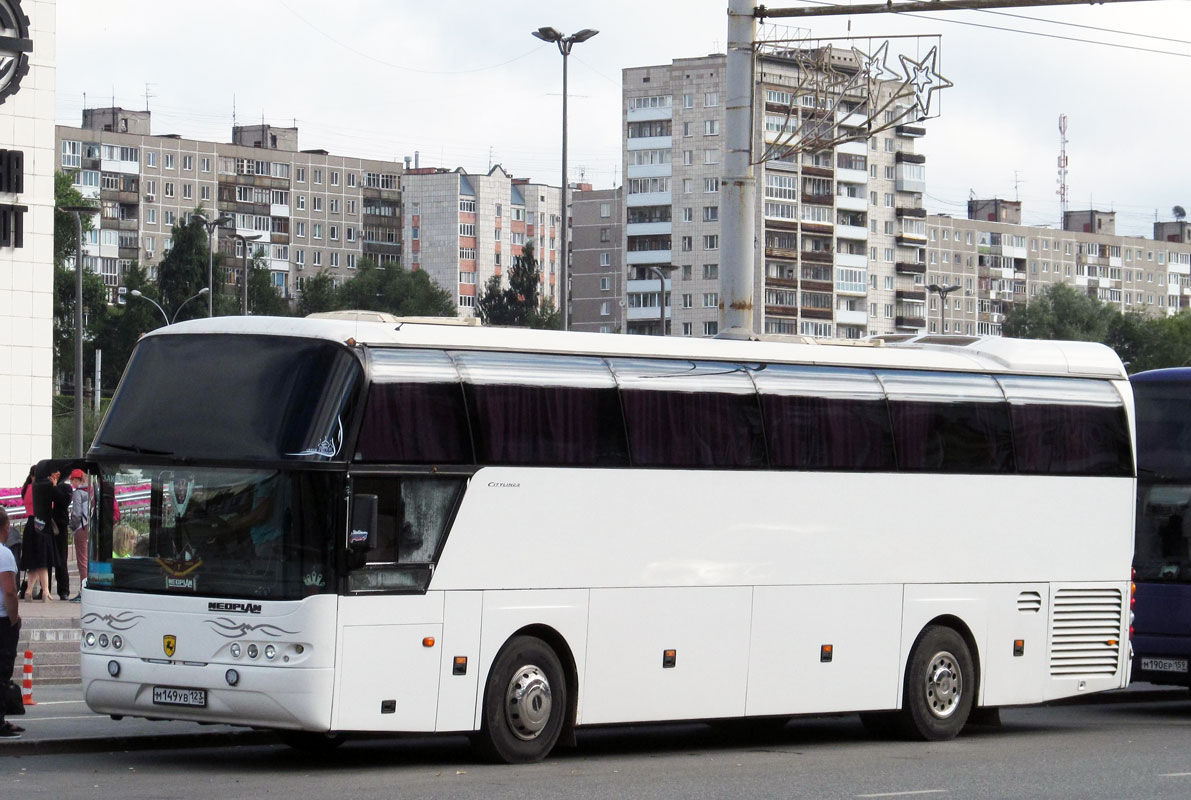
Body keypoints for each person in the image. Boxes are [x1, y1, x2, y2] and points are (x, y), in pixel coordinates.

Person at [0, 507, 23, 739]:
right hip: (1, 620)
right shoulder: (4, 554)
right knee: (2, 671)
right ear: (5, 526)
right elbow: (9, 592)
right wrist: (14, 620)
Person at [19, 469, 53, 604]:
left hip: (29, 523)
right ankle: (45, 591)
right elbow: (50, 506)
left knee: (32, 559)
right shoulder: (42, 488)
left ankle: (28, 590)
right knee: (42, 559)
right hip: (41, 523)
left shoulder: (26, 489)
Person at [49, 468, 72, 601]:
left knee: (61, 559)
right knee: (46, 560)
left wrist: (54, 485)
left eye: (57, 473)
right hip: (48, 524)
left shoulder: (66, 488)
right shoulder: (47, 486)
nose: (54, 475)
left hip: (60, 526)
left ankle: (63, 590)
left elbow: (63, 500)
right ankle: (45, 589)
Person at [67, 469, 90, 602]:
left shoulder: (78, 494)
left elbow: (76, 514)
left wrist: (71, 527)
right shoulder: (92, 491)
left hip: (81, 528)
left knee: (82, 561)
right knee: (89, 559)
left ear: (79, 480)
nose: (72, 483)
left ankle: (84, 589)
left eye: (74, 480)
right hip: (91, 528)